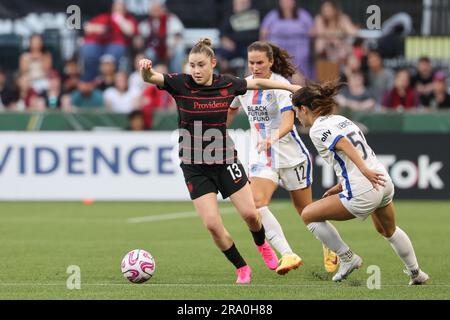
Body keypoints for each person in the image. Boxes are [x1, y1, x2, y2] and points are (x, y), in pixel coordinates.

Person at [140, 38, 302, 284]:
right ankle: (241, 267)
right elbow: (152, 78)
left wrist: (290, 89)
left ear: (212, 63)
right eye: (192, 65)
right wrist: (146, 70)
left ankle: (262, 245)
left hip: (225, 160)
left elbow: (256, 82)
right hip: (194, 167)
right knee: (213, 226)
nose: (195, 70)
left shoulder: (227, 84)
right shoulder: (180, 83)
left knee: (251, 215)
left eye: (201, 65)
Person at [291, 80, 429, 285]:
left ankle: (347, 258)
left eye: (296, 111)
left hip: (364, 186)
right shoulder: (341, 119)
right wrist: (342, 184)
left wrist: (363, 171)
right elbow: (351, 153)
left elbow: (344, 144)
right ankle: (416, 272)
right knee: (388, 230)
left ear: (303, 109)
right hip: (382, 181)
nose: (296, 117)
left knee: (308, 214)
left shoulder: (317, 129)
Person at [228, 41, 339, 274]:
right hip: (263, 156)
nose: (255, 67)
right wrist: (216, 131)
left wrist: (272, 137)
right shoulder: (244, 86)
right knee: (257, 204)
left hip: (291, 156)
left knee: (306, 211)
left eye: (260, 62)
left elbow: (289, 123)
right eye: (251, 62)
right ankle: (288, 254)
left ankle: (332, 248)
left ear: (270, 62)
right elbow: (230, 110)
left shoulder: (281, 85)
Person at [260, 0, 314, 82]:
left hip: (299, 44)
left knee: (302, 54)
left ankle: (301, 80)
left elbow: (313, 32)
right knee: (276, 54)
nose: (287, 3)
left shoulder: (303, 15)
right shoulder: (272, 15)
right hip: (278, 45)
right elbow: (263, 34)